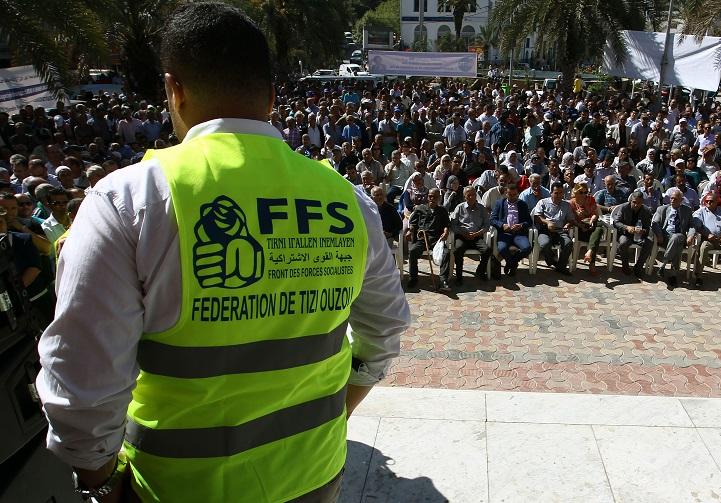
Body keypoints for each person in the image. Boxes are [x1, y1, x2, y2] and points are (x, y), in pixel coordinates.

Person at [36, 5, 410, 502]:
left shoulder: (131, 201)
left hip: (178, 488)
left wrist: (101, 483)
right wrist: (337, 410)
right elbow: (385, 330)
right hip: (314, 476)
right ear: (273, 97)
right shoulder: (347, 199)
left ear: (175, 89)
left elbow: (82, 385)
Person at [692, 191, 721, 288]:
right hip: (708, 240)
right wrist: (707, 234)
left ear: (716, 202)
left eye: (711, 201)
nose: (708, 203)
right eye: (707, 201)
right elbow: (696, 226)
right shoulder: (700, 212)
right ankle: (699, 277)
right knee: (703, 248)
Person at [407, 188, 451, 292]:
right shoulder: (420, 208)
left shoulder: (442, 210)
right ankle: (413, 278)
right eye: (430, 196)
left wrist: (446, 232)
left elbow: (446, 225)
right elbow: (412, 223)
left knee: (445, 253)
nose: (432, 199)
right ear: (427, 197)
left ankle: (443, 281)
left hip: (437, 239)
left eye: (435, 197)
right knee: (413, 251)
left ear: (439, 198)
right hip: (423, 238)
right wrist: (410, 231)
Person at [652, 188, 695, 288]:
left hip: (679, 235)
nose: (672, 201)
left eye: (675, 199)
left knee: (677, 237)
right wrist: (659, 235)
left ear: (681, 200)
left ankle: (664, 264)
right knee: (677, 245)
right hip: (664, 237)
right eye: (671, 198)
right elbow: (655, 224)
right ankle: (673, 276)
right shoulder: (662, 209)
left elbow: (692, 225)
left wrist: (691, 235)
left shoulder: (687, 210)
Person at [532, 182, 577, 275]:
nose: (558, 195)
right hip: (545, 230)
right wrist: (547, 222)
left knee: (569, 243)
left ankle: (560, 266)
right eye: (556, 193)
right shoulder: (543, 202)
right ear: (551, 193)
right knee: (544, 244)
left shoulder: (566, 205)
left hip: (560, 231)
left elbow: (571, 219)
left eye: (561, 193)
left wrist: (568, 224)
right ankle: (552, 260)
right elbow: (537, 217)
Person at [450, 186, 491, 283]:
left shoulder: (481, 208)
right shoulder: (459, 208)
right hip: (463, 236)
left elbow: (487, 225)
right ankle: (459, 276)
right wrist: (463, 233)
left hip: (476, 237)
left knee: (487, 250)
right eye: (469, 195)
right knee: (458, 250)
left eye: (473, 195)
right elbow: (453, 225)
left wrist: (478, 233)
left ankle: (480, 270)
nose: (472, 197)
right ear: (465, 197)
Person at [491, 183, 532, 277]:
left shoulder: (522, 204)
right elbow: (492, 219)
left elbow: (529, 221)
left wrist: (521, 225)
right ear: (506, 193)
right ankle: (513, 264)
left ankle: (510, 263)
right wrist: (502, 225)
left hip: (519, 233)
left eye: (515, 195)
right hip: (505, 233)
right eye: (510, 194)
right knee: (502, 248)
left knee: (527, 248)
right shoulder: (499, 203)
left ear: (518, 194)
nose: (513, 197)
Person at [614, 190, 653, 279]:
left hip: (639, 236)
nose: (636, 205)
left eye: (639, 203)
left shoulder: (646, 210)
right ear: (631, 200)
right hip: (625, 234)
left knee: (649, 242)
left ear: (642, 202)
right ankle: (625, 266)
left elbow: (647, 228)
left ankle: (638, 267)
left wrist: (642, 231)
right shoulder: (624, 207)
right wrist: (627, 227)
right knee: (623, 243)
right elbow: (616, 222)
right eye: (634, 202)